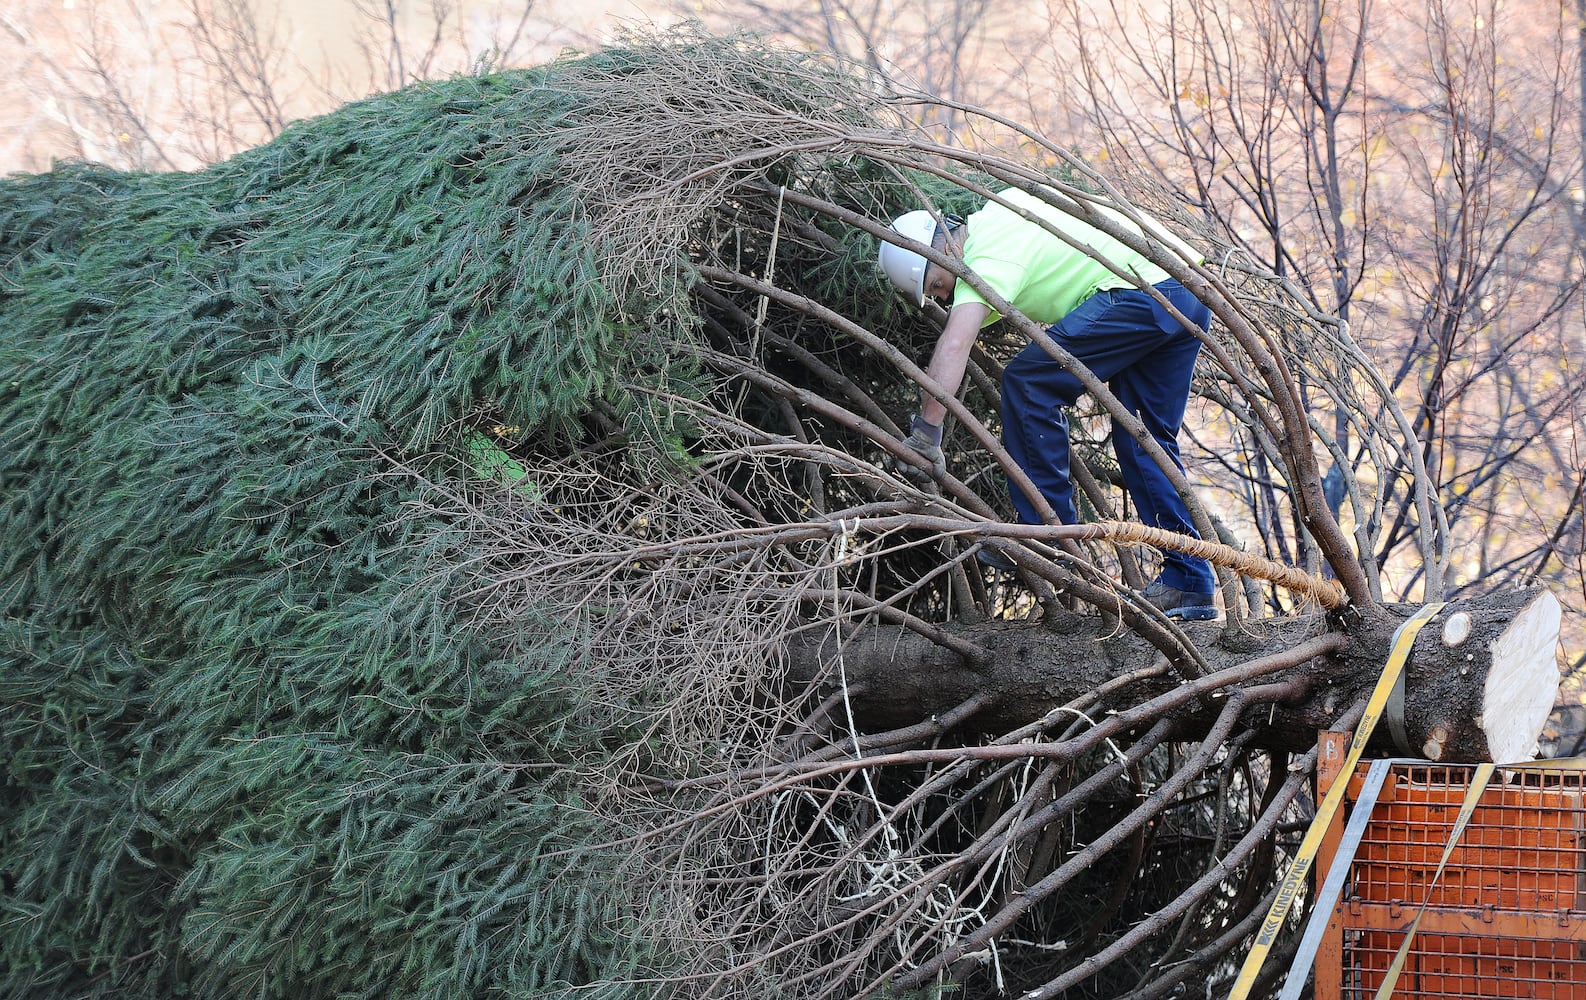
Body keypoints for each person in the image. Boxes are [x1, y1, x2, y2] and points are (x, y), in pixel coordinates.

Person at [876, 187, 1218, 621]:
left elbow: (955, 343)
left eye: (936, 286)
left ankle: (1046, 533)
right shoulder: (1004, 214)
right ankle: (1189, 581)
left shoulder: (986, 254)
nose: (942, 298)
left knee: (1028, 380)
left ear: (940, 252)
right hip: (1186, 288)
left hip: (1142, 291)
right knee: (1141, 438)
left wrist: (926, 434)